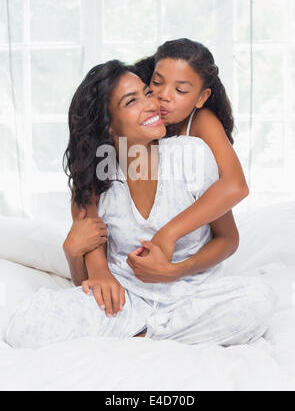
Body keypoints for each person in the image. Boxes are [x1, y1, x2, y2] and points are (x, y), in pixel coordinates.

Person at [4, 61, 277, 349]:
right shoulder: (95, 182)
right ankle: (155, 335)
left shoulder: (193, 155)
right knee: (25, 326)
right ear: (108, 125)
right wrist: (73, 253)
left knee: (258, 298)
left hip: (193, 294)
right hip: (128, 300)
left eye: (147, 93)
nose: (151, 104)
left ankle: (141, 338)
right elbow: (90, 282)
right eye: (132, 101)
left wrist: (175, 270)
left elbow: (226, 238)